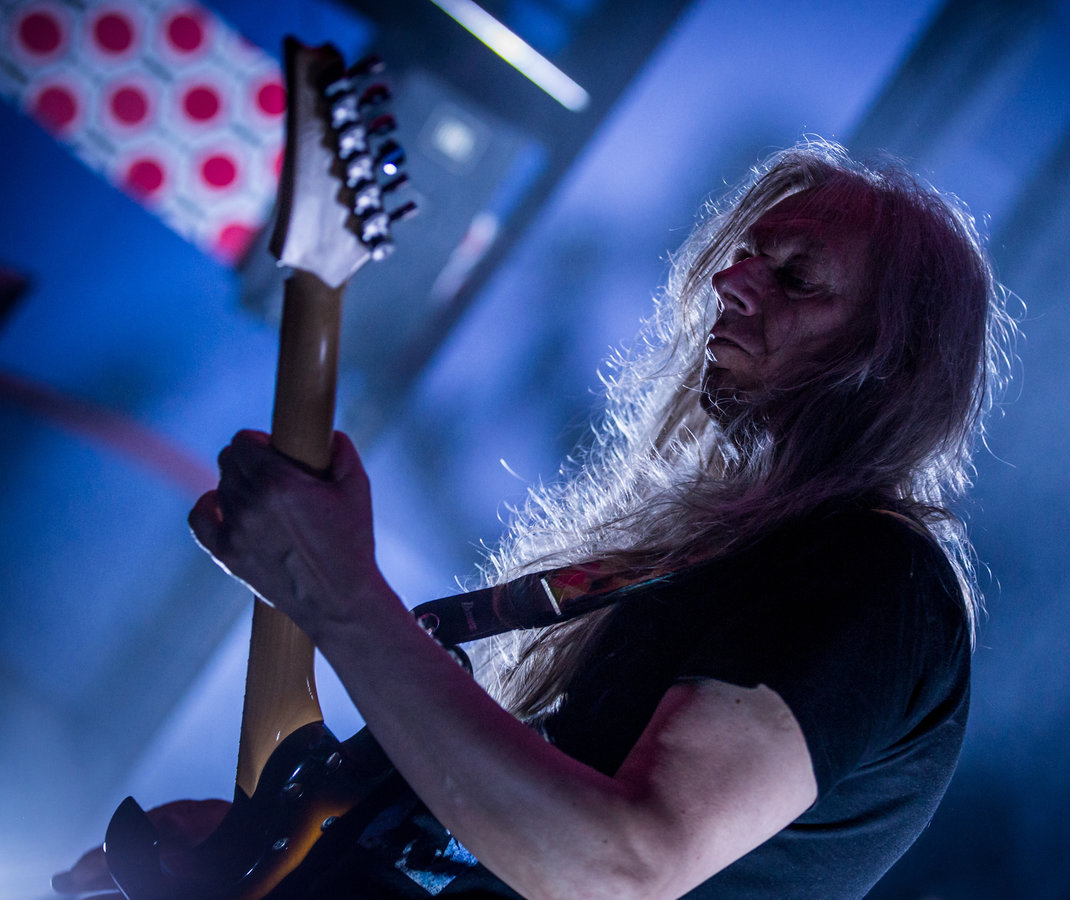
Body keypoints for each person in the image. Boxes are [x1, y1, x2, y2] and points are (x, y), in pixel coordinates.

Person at [55, 140, 1015, 899]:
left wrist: (342, 597)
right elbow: (502, 839)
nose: (732, 282)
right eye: (746, 256)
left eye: (798, 279)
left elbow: (622, 870)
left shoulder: (872, 575)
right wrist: (279, 844)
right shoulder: (723, 560)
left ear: (894, 362)